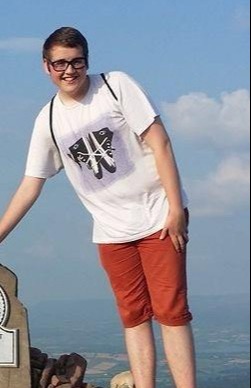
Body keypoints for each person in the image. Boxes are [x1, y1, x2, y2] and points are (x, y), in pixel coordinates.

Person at [0, 27, 197, 388]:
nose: (69, 70)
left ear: (87, 61)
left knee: (171, 313)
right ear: (46, 66)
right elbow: (31, 185)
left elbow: (160, 143)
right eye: (60, 63)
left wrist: (175, 209)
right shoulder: (48, 121)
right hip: (111, 232)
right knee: (133, 316)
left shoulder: (115, 86)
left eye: (76, 61)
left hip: (158, 218)